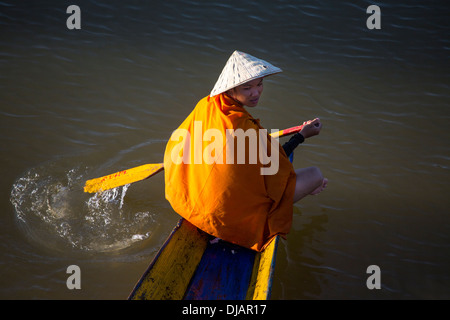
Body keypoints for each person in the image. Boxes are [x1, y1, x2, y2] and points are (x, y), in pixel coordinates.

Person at [163, 50, 327, 252]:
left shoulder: (205, 105)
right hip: (222, 219)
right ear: (231, 89)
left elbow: (179, 145)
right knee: (315, 175)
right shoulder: (243, 126)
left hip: (185, 201)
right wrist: (301, 136)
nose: (256, 92)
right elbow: (274, 169)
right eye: (247, 87)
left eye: (260, 84)